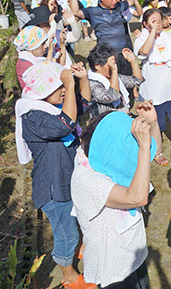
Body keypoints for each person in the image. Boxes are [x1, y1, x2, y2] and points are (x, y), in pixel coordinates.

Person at [15, 61, 95, 289]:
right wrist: (70, 85)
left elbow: (84, 104)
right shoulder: (33, 117)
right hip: (53, 188)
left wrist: (82, 79)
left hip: (66, 180)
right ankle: (68, 275)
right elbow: (64, 125)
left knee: (75, 223)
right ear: (41, 91)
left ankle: (77, 250)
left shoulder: (52, 106)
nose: (63, 90)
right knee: (65, 234)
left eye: (63, 86)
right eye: (58, 86)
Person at [71, 102, 160, 288]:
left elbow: (152, 151)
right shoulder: (86, 179)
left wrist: (152, 124)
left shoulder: (106, 158)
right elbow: (137, 197)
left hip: (134, 253)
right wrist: (143, 147)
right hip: (113, 269)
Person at [134, 9, 171, 163]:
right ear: (145, 24)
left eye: (159, 20)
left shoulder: (169, 37)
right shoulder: (141, 39)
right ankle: (157, 151)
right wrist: (153, 31)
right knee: (155, 123)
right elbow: (144, 52)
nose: (158, 23)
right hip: (154, 89)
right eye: (153, 21)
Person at [70, 0, 141, 52]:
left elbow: (130, 1)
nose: (115, 1)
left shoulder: (118, 6)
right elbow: (75, 12)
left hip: (123, 53)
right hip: (105, 55)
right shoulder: (93, 11)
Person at [86, 43, 144, 118]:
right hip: (106, 123)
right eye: (110, 65)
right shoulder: (91, 84)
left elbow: (137, 81)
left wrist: (133, 61)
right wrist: (114, 71)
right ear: (97, 66)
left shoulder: (112, 76)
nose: (114, 67)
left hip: (122, 116)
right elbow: (113, 96)